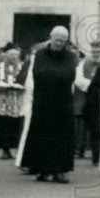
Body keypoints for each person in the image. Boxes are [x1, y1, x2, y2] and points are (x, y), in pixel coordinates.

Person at [16, 27, 78, 182]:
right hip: (43, 102)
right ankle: (42, 170)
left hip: (62, 103)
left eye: (62, 41)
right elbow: (38, 73)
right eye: (57, 40)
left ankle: (60, 171)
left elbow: (69, 74)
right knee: (42, 135)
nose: (59, 43)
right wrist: (56, 75)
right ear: (51, 37)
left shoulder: (70, 56)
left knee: (61, 138)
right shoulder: (40, 54)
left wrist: (52, 75)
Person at [0, 44, 25, 159]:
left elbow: (24, 81)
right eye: (11, 55)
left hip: (16, 100)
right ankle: (5, 149)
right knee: (4, 125)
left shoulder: (21, 67)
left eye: (16, 55)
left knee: (14, 125)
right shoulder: (0, 67)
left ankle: (13, 149)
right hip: (2, 100)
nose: (14, 58)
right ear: (7, 56)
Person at [73, 38, 100, 160]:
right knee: (83, 125)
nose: (96, 53)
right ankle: (79, 149)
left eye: (98, 51)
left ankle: (97, 152)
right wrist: (92, 86)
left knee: (98, 126)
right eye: (94, 51)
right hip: (86, 96)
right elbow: (78, 79)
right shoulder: (84, 63)